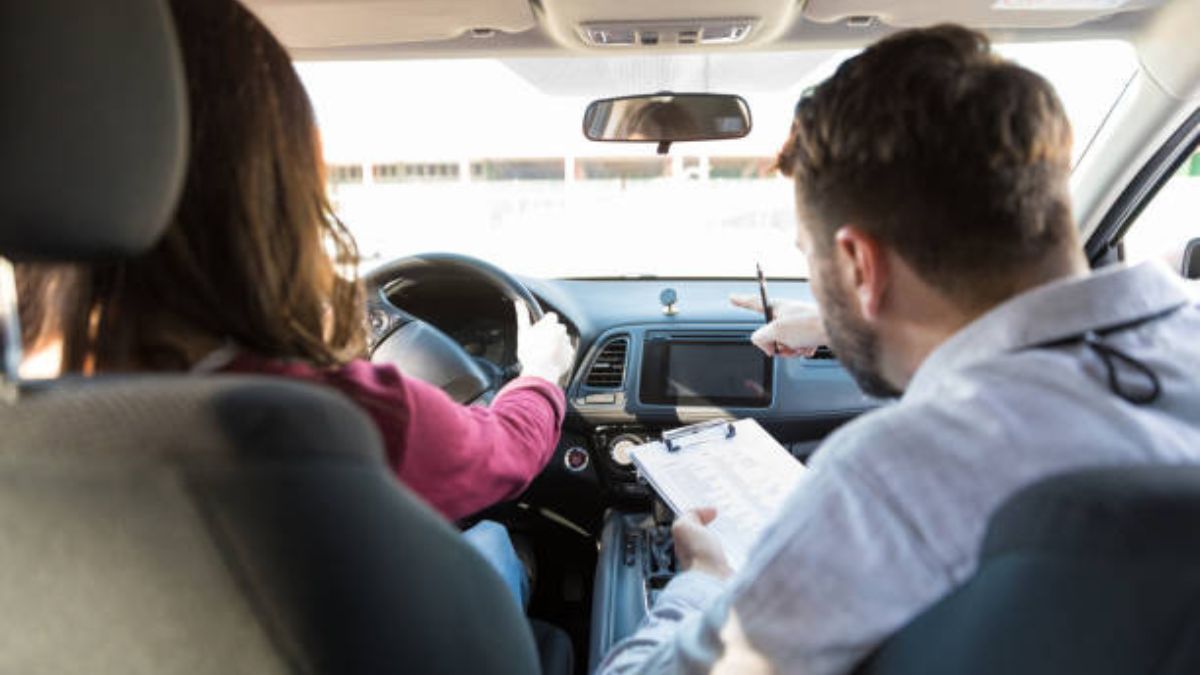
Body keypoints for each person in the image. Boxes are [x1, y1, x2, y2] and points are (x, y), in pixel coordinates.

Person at [599, 24, 1200, 674]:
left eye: (811, 260)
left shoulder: (894, 477)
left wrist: (703, 579)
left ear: (860, 263)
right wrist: (841, 322)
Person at [16, 0, 574, 554]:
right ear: (278, 185)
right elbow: (505, 453)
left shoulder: (22, 404)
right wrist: (541, 376)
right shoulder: (345, 422)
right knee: (496, 543)